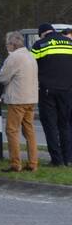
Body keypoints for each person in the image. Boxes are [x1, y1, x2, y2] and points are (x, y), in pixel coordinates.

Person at [0, 31, 39, 172]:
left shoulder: (14, 57)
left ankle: (15, 164)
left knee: (12, 131)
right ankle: (33, 163)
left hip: (17, 99)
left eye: (7, 44)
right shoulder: (30, 55)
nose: (6, 47)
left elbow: (2, 78)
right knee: (29, 132)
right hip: (31, 98)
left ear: (12, 44)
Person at [31, 24, 72, 166]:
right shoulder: (69, 43)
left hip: (47, 90)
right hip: (67, 90)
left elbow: (31, 66)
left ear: (42, 34)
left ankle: (57, 160)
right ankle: (68, 158)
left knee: (50, 126)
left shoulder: (40, 44)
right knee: (65, 124)